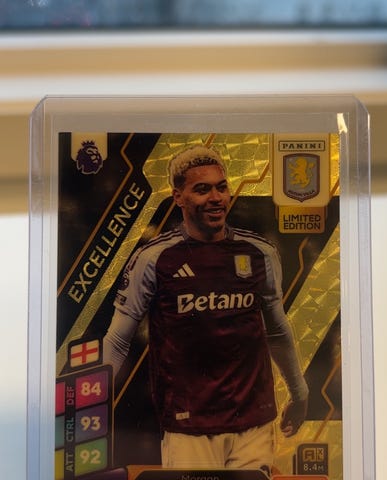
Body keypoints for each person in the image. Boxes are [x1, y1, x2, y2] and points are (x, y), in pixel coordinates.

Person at [103, 145, 309, 471]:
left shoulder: (260, 252)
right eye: (202, 189)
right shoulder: (154, 258)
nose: (216, 198)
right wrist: (94, 403)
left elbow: (277, 329)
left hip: (253, 423)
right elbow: (117, 339)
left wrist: (299, 391)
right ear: (178, 197)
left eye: (221, 187)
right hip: (189, 427)